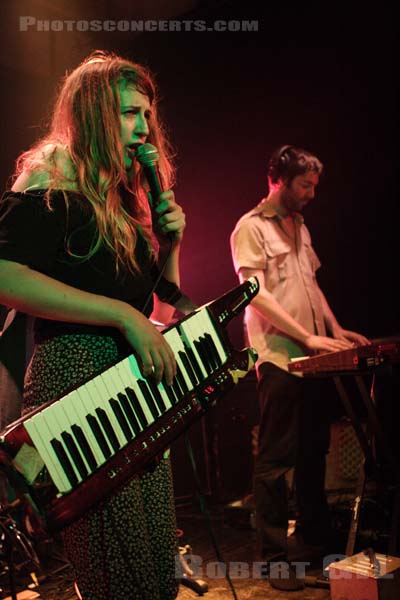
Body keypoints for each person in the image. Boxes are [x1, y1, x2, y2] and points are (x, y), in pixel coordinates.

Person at [0, 51, 186, 600]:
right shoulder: (53, 172)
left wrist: (171, 246)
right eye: (130, 112)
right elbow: (6, 276)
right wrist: (122, 314)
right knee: (117, 572)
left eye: (147, 115)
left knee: (154, 568)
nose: (143, 127)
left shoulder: (123, 197)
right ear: (94, 111)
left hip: (133, 390)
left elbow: (164, 308)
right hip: (76, 378)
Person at [230, 145, 369, 591]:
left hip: (313, 361)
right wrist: (306, 336)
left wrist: (335, 328)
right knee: (275, 462)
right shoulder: (250, 228)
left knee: (314, 453)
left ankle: (312, 542)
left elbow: (312, 285)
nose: (311, 194)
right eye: (304, 185)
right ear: (278, 180)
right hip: (278, 358)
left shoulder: (300, 227)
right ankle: (272, 559)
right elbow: (256, 293)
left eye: (314, 186)